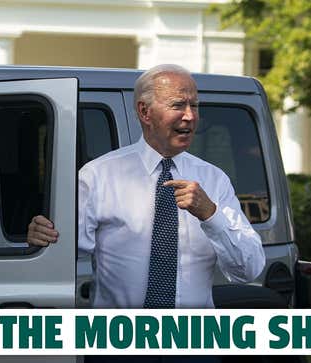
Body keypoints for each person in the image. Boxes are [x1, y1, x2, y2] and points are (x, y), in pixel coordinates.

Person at [28, 64, 265, 362]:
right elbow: (58, 250)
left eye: (195, 105)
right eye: (178, 105)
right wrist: (38, 238)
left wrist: (211, 215)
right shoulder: (99, 176)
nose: (190, 116)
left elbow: (250, 270)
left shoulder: (214, 181)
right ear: (144, 112)